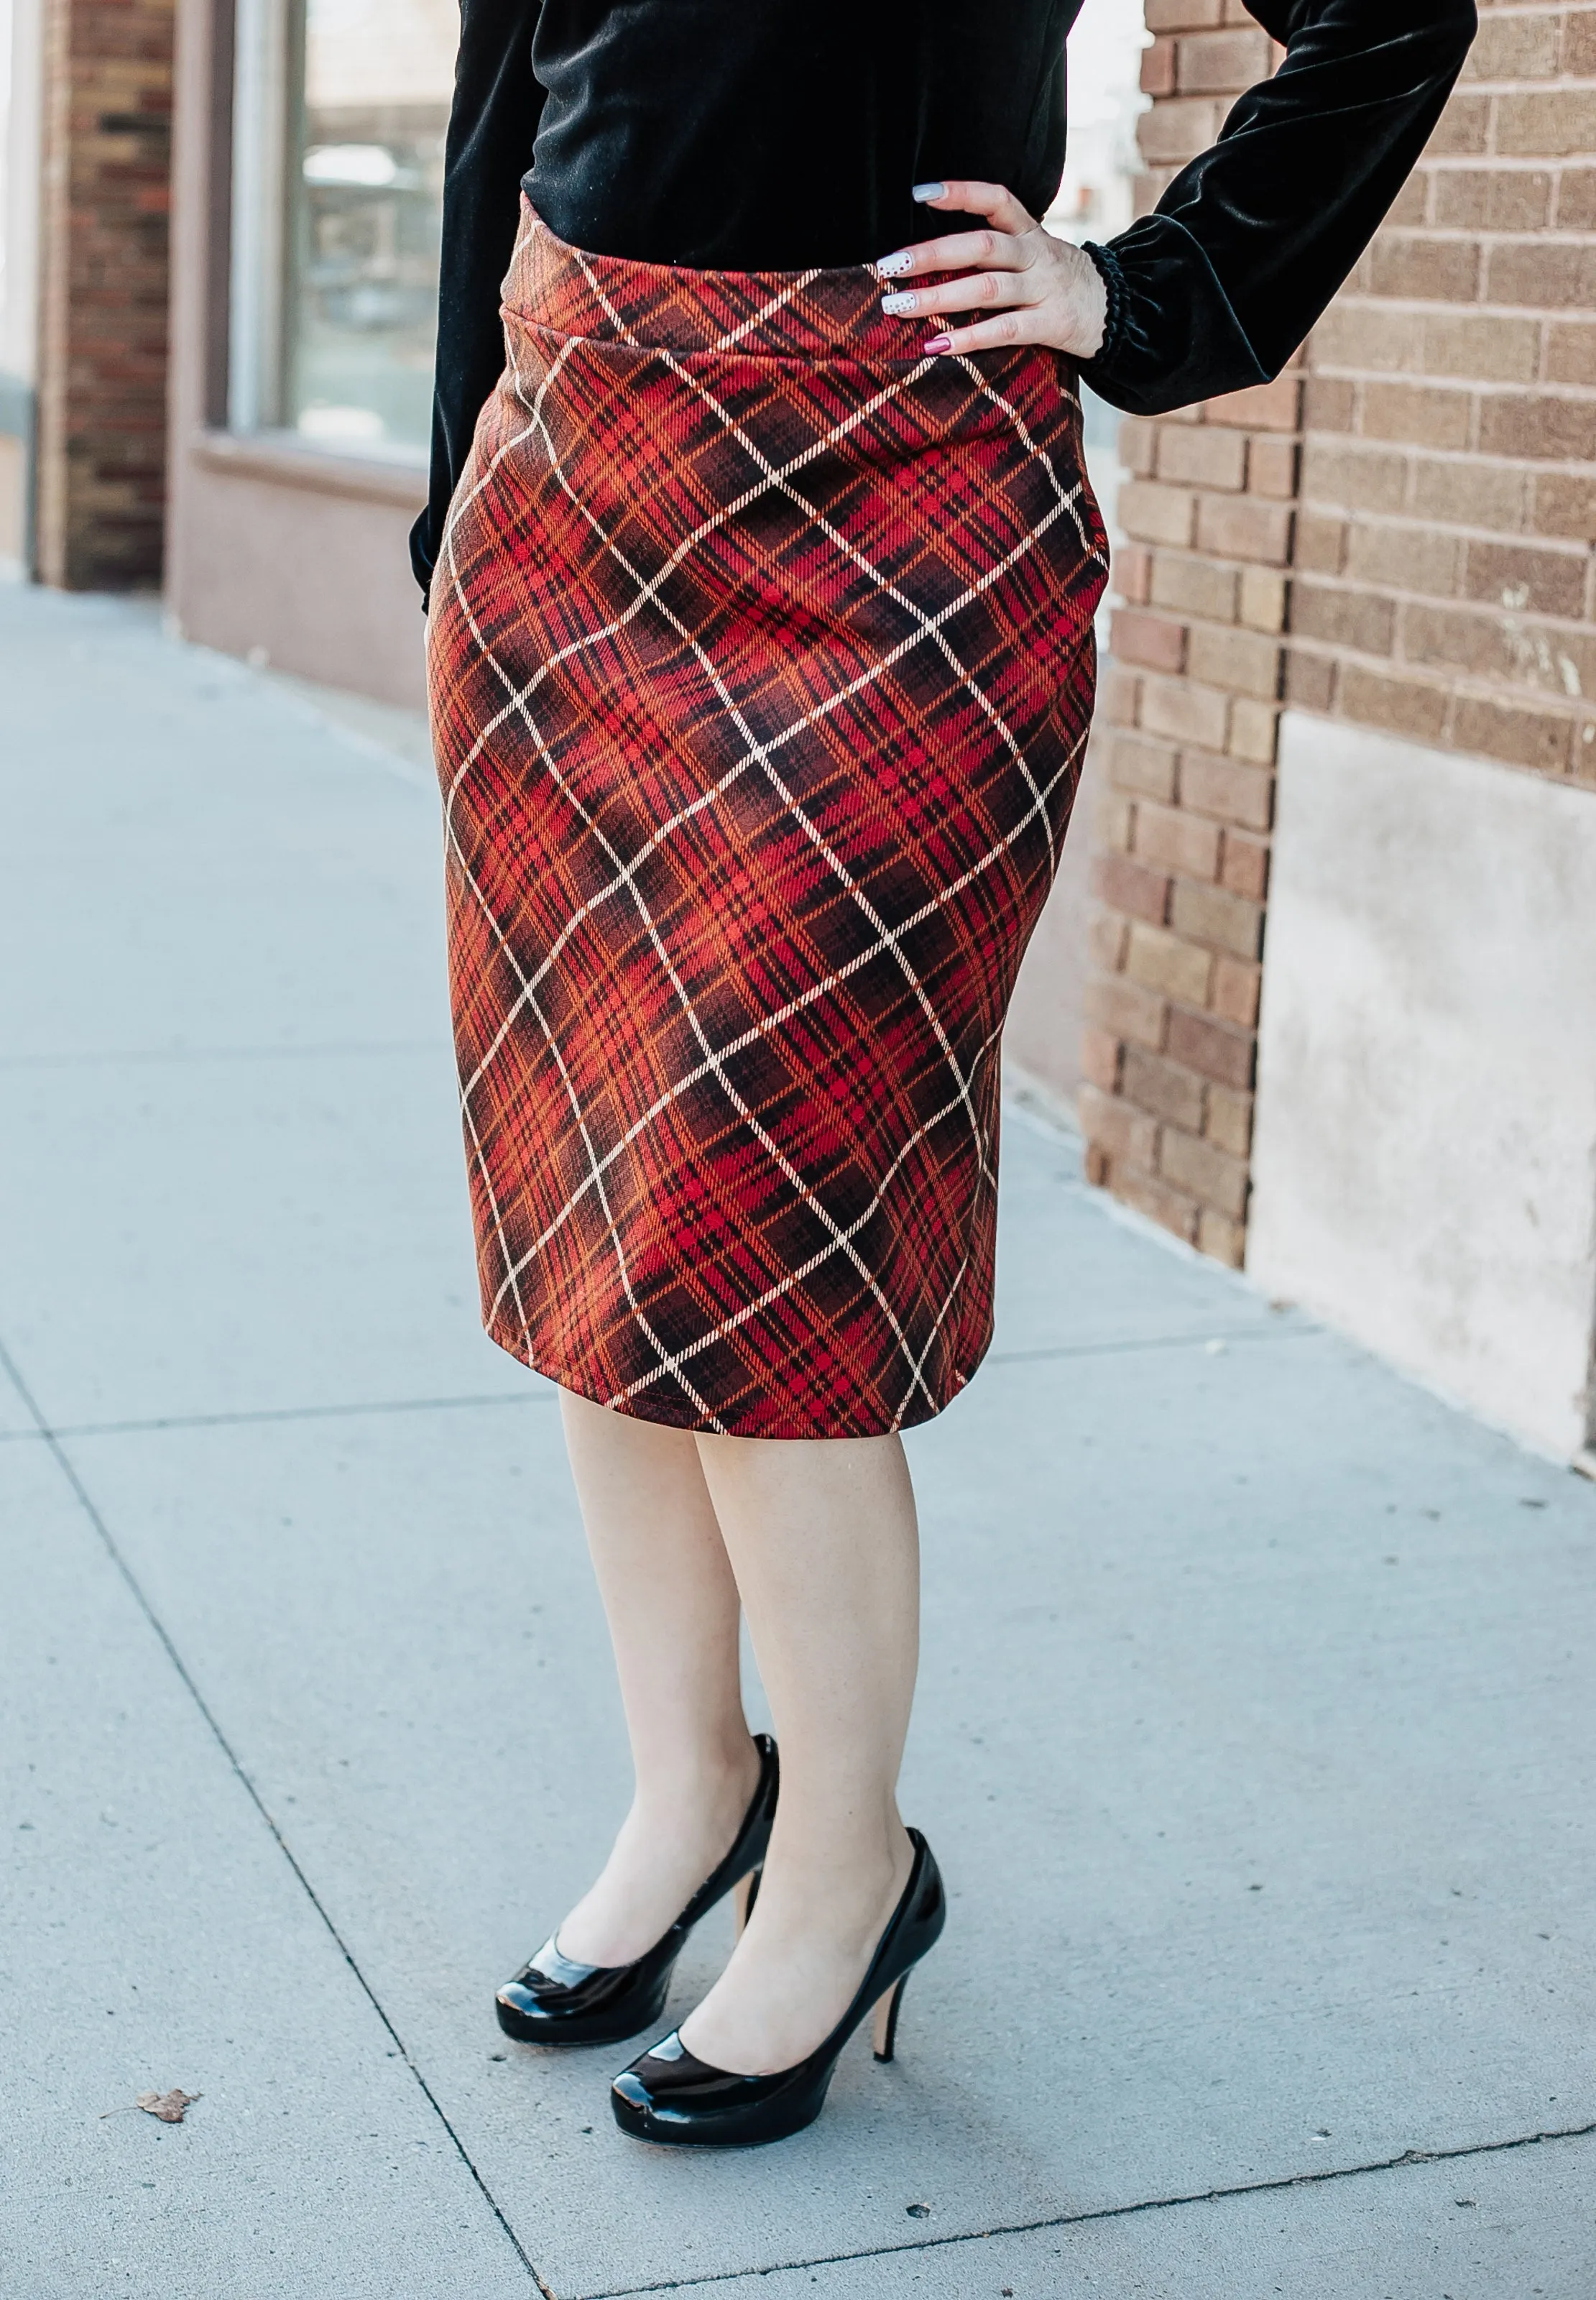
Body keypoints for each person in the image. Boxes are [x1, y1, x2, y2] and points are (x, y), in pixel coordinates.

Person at [412, 0, 1476, 2149]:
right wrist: (457, 508)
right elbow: (498, 99)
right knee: (599, 1218)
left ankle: (846, 1870)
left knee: (760, 1244)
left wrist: (1146, 293)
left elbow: (1388, 13)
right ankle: (693, 1784)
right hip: (571, 509)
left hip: (888, 526)